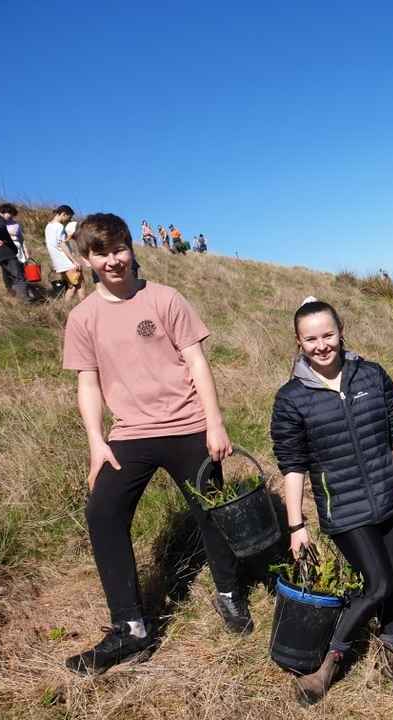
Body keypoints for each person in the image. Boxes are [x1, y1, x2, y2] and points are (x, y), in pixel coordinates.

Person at [61, 213, 248, 676]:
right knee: (102, 513)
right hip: (129, 434)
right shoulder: (83, 317)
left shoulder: (164, 298)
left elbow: (197, 362)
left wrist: (215, 422)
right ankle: (131, 626)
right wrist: (95, 442)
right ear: (86, 259)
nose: (113, 260)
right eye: (101, 253)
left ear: (130, 248)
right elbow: (88, 383)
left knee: (211, 512)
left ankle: (229, 592)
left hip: (189, 425)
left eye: (119, 249)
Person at [271, 299, 393, 706]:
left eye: (328, 334)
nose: (321, 345)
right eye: (311, 339)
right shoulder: (291, 398)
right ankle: (329, 661)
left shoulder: (372, 376)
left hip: (391, 497)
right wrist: (296, 523)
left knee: (391, 580)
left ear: (341, 332)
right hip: (344, 509)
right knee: (379, 583)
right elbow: (292, 466)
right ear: (298, 342)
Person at [46, 206, 85, 302]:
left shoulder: (48, 226)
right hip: (66, 262)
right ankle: (85, 309)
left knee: (72, 286)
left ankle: (66, 309)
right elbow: (62, 244)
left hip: (58, 262)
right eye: (69, 217)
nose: (69, 220)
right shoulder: (59, 226)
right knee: (79, 285)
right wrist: (74, 260)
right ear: (64, 214)